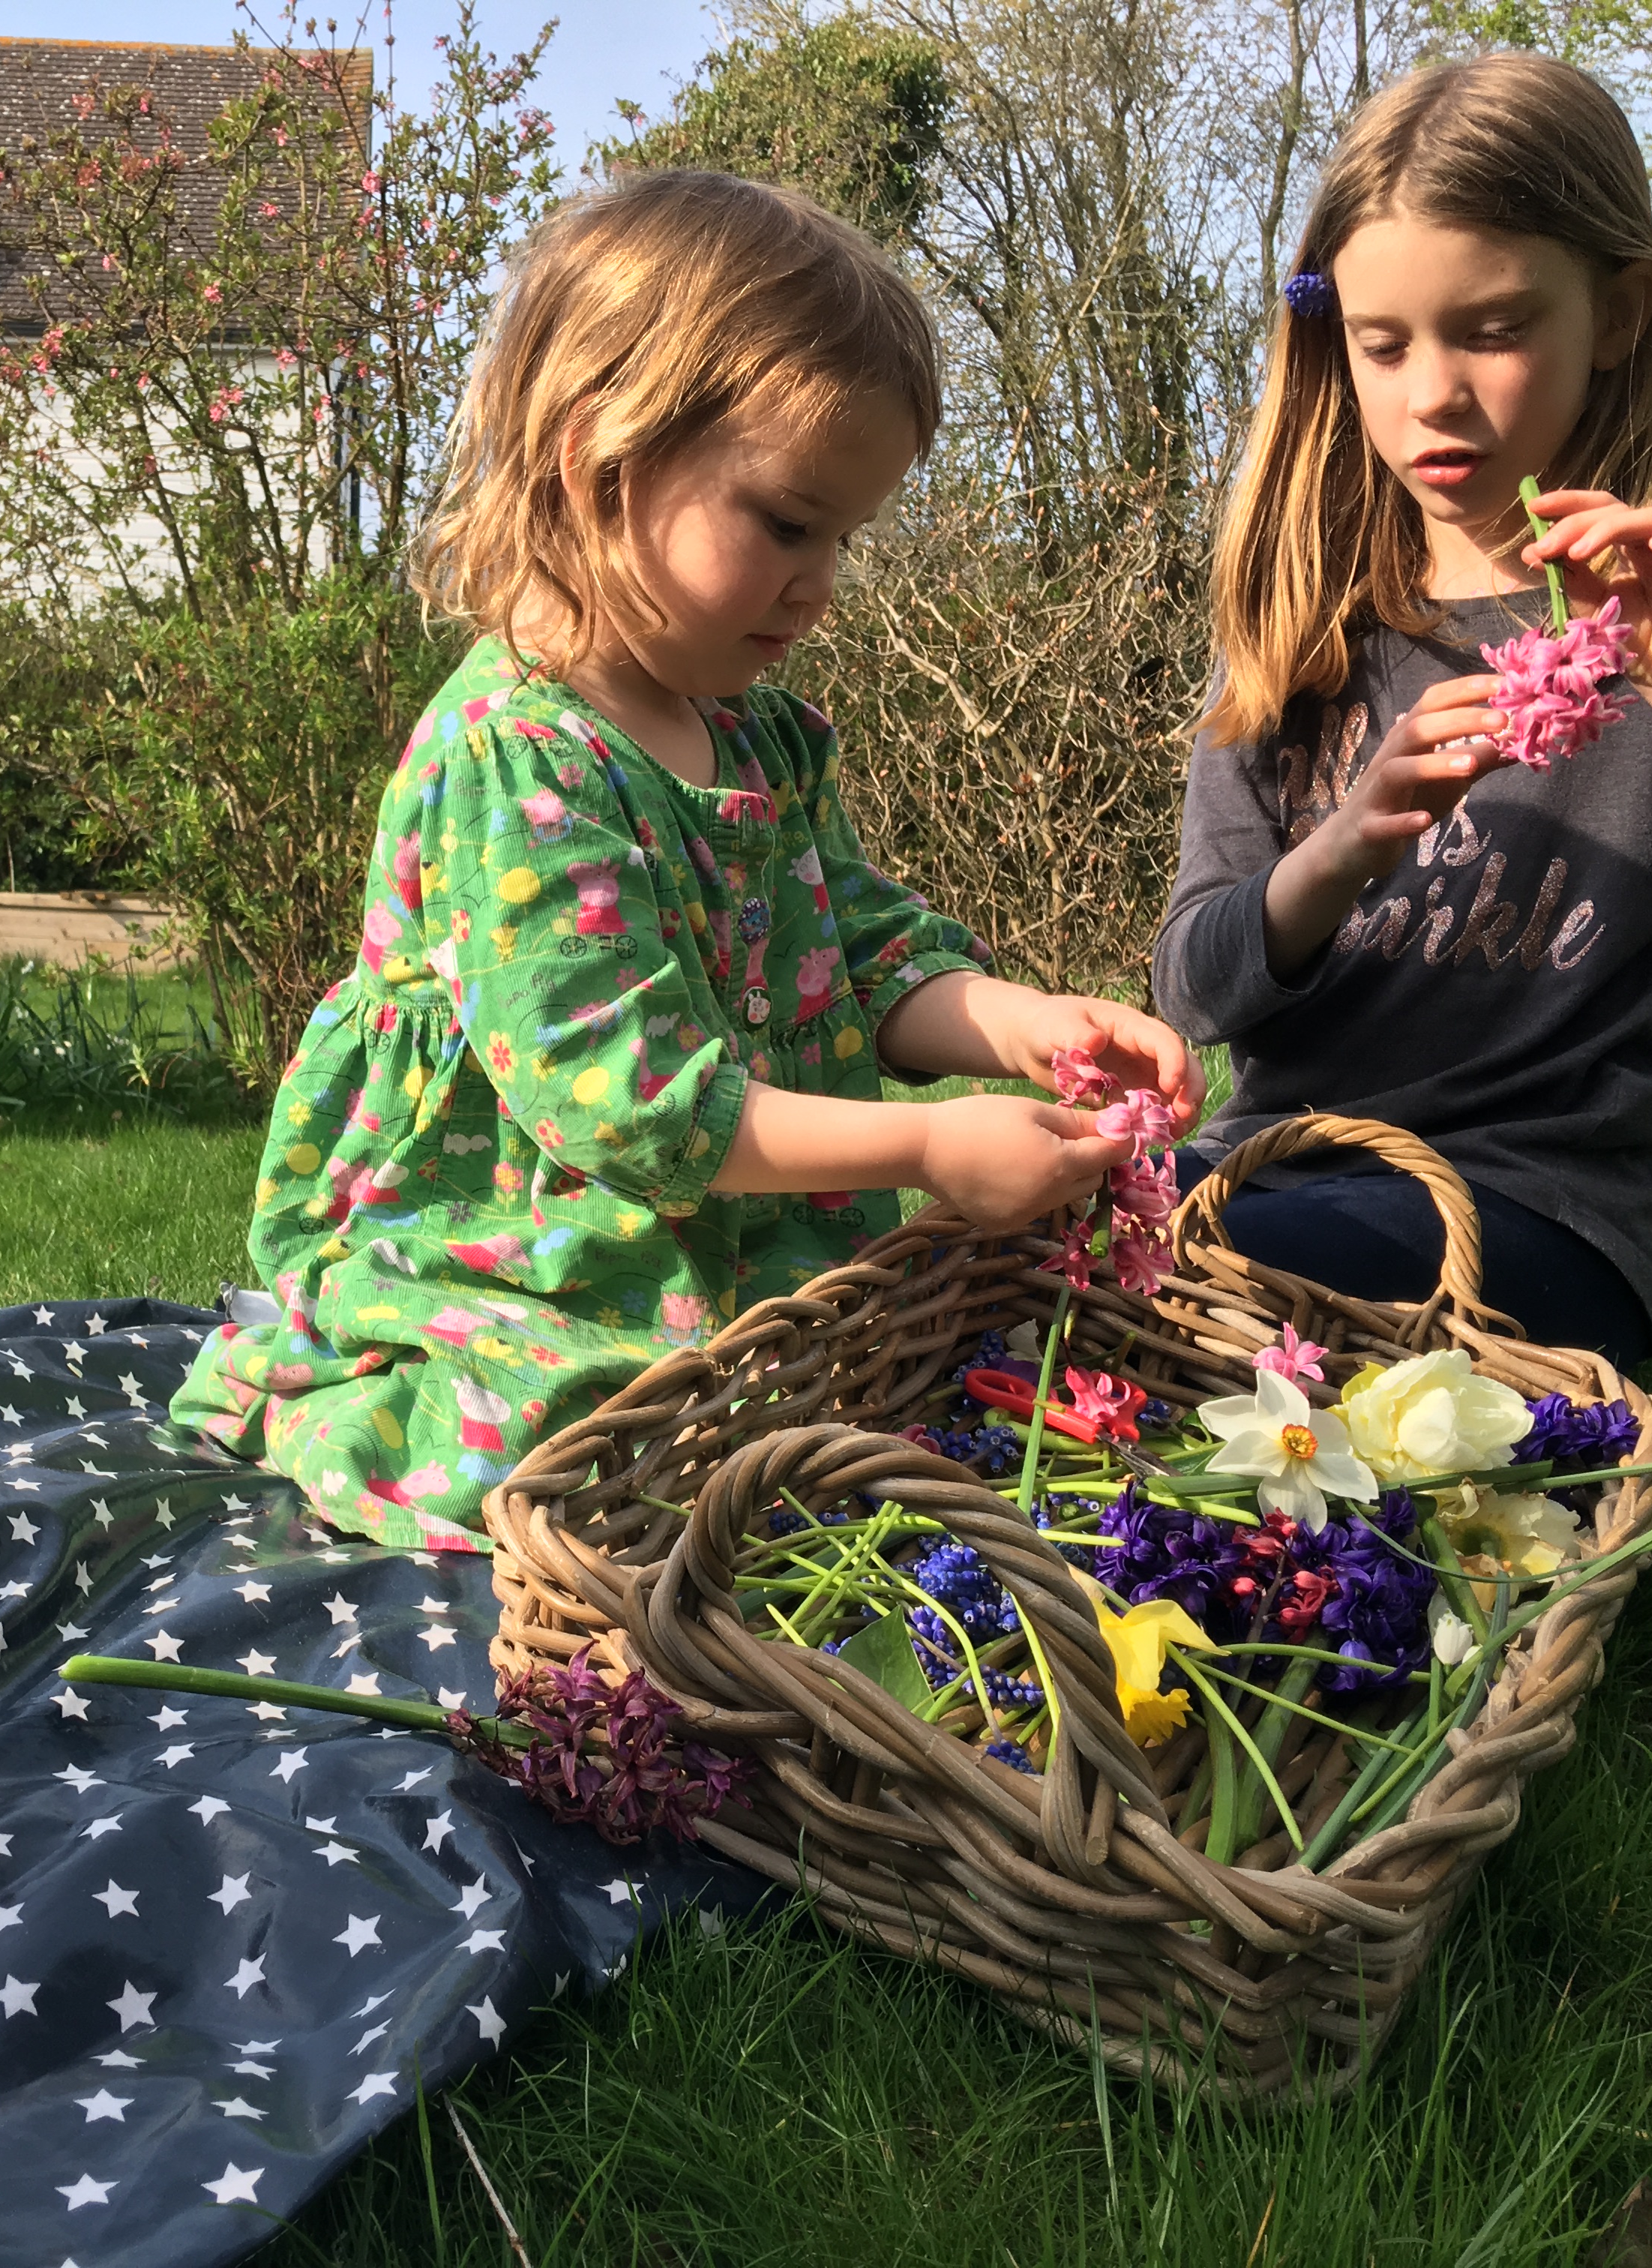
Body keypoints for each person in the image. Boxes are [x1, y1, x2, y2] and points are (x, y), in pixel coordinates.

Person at [169, 171, 1204, 1553]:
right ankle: (349, 1398)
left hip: (742, 1239)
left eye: (844, 536)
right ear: (603, 461)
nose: (821, 582)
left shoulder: (764, 736)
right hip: (544, 1250)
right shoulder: (518, 759)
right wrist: (927, 1148)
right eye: (785, 522)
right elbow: (631, 1106)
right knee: (594, 1450)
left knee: (875, 1390)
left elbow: (869, 948)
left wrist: (1018, 1025)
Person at [1156, 54, 1652, 1367]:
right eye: (1385, 345)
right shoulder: (1298, 628)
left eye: (1494, 330)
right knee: (1038, 1235)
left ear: (1622, 317)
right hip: (1268, 1172)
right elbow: (1197, 986)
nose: (1434, 393)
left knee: (1206, 1288)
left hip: (1539, 1222)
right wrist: (1344, 845)